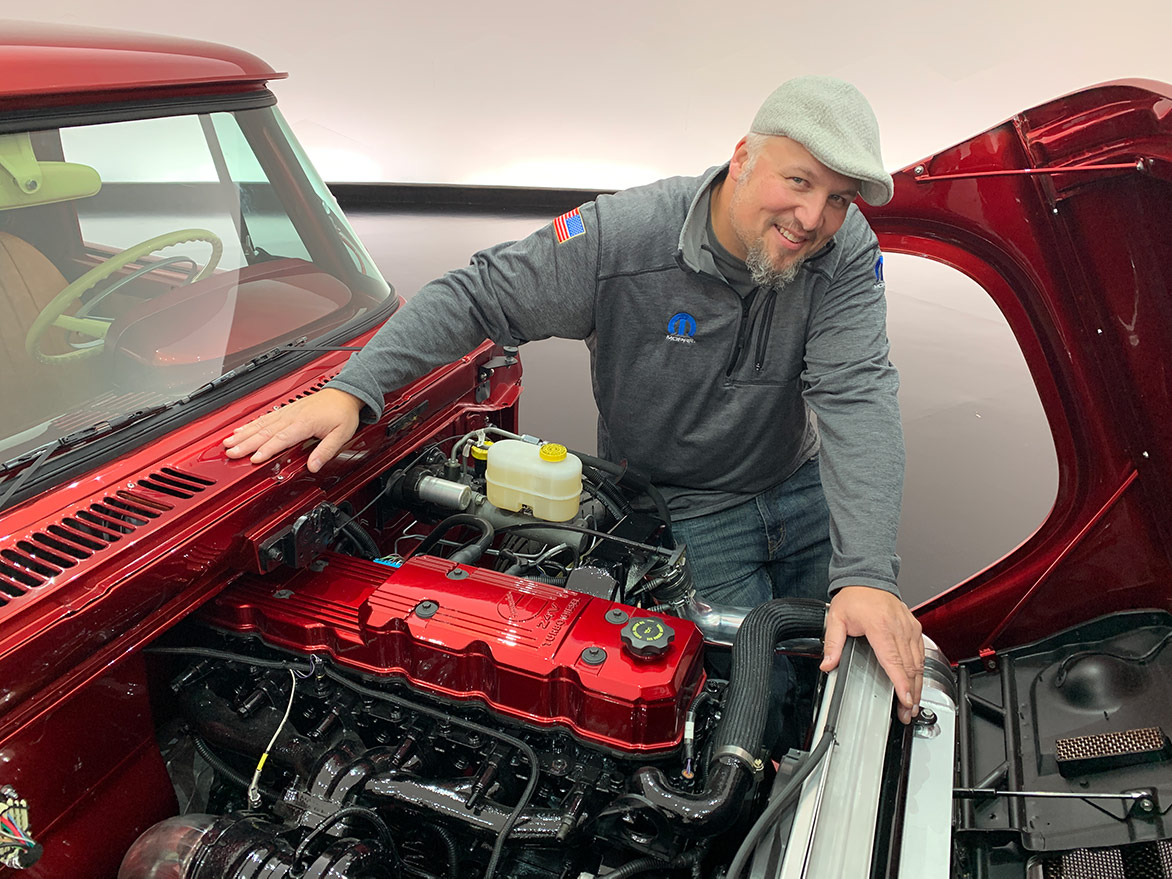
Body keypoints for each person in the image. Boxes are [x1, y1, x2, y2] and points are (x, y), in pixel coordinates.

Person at [224, 75, 924, 723]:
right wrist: (355, 388)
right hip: (690, 510)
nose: (813, 216)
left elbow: (856, 392)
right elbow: (478, 293)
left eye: (838, 198)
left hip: (804, 493)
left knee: (845, 678)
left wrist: (865, 572)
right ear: (742, 157)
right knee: (749, 710)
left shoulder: (843, 249)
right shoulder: (624, 238)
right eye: (799, 181)